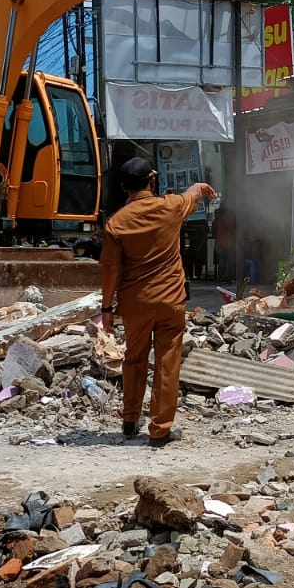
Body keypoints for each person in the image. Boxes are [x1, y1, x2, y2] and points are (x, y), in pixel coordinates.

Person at [96, 158, 217, 447]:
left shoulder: (116, 224)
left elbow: (110, 270)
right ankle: (160, 430)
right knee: (167, 363)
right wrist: (201, 187)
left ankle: (129, 420)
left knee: (134, 359)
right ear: (152, 182)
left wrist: (106, 308)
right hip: (170, 302)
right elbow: (193, 194)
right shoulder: (170, 207)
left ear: (124, 187)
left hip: (135, 305)